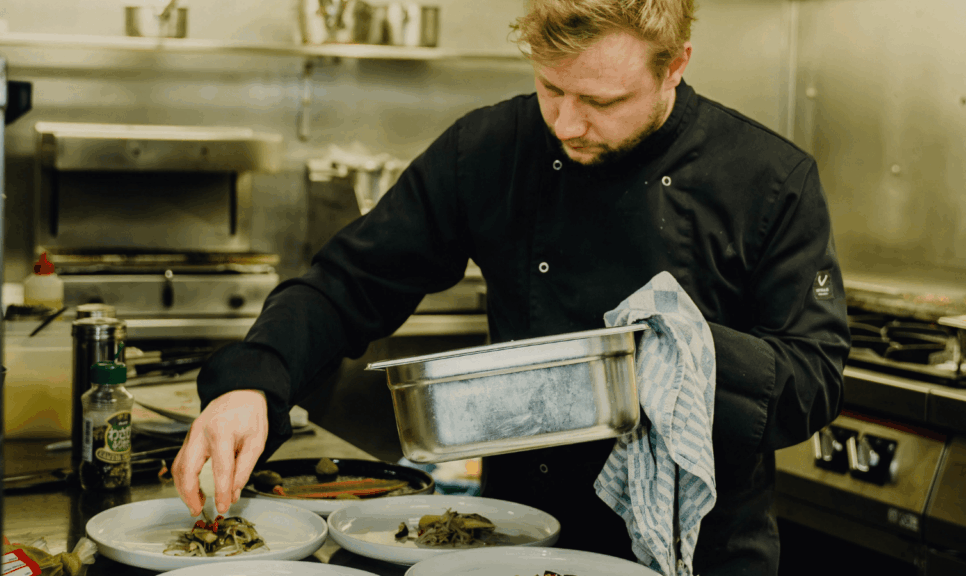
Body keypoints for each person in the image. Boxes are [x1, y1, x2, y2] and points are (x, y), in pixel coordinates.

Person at [172, 0, 851, 573]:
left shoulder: (768, 179)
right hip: (520, 540)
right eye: (551, 88)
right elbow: (348, 282)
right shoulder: (490, 148)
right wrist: (252, 383)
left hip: (699, 554)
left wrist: (675, 353)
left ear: (675, 66)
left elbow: (813, 378)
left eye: (601, 101)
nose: (567, 124)